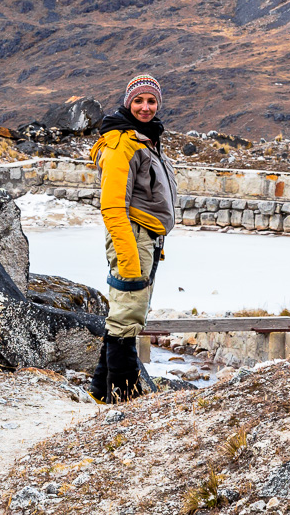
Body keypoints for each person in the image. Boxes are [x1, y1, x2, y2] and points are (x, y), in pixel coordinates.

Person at [88, 73, 178, 402]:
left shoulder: (146, 138)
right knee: (127, 319)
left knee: (126, 315)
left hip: (147, 239)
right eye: (138, 100)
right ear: (128, 103)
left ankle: (99, 392)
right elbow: (112, 207)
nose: (145, 106)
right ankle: (126, 397)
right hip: (133, 238)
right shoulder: (121, 145)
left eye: (151, 100)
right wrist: (128, 259)